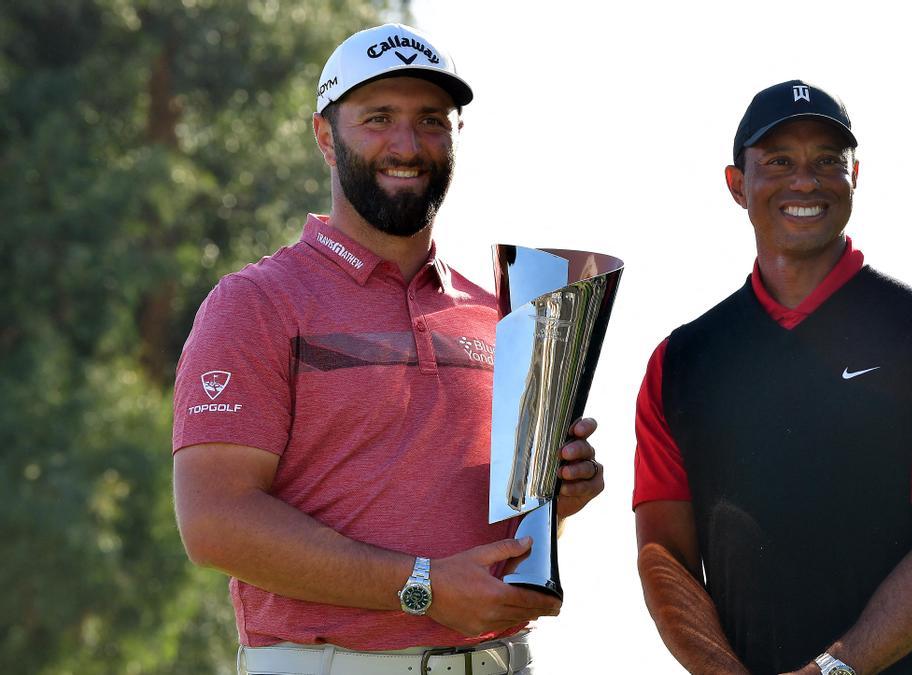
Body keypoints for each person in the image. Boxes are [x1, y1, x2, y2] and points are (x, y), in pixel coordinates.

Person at [172, 23, 604, 675]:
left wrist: (555, 503)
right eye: (378, 118)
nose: (407, 144)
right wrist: (421, 583)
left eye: (432, 120)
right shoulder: (255, 303)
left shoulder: (501, 315)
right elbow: (214, 520)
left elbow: (495, 543)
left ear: (458, 135)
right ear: (325, 136)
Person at [633, 80, 912, 675]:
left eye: (827, 161)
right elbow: (664, 558)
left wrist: (832, 671)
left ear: (856, 176)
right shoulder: (680, 361)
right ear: (736, 184)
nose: (805, 180)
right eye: (779, 160)